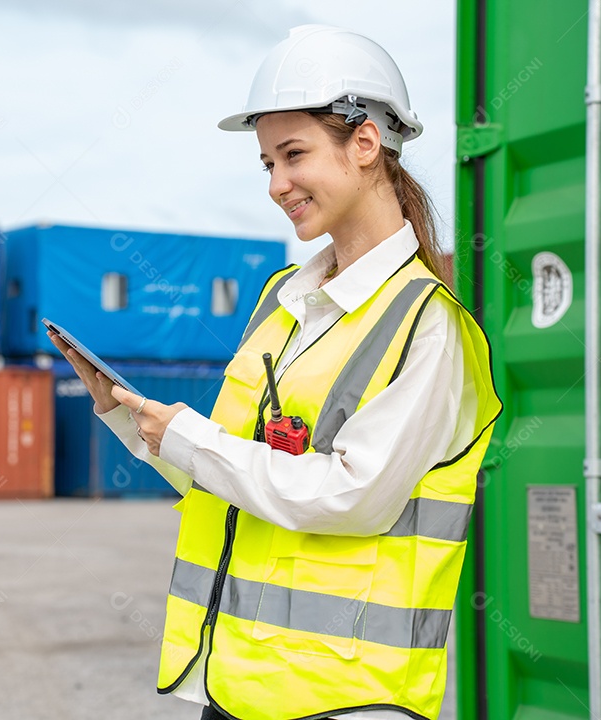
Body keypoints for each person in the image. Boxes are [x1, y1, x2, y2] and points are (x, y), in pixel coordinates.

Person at [50, 24, 501, 720]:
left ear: (365, 143)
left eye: (293, 155)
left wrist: (192, 439)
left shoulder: (427, 324)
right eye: (266, 163)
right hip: (239, 686)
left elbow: (352, 498)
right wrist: (133, 420)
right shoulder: (282, 301)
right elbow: (234, 478)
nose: (275, 185)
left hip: (348, 700)